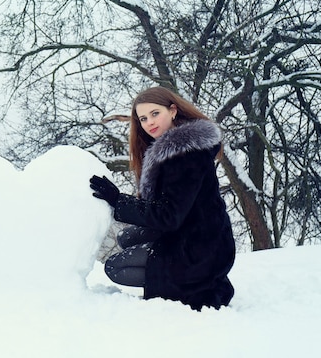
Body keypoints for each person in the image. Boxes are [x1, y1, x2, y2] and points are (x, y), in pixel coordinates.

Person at [89, 86, 235, 311]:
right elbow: (165, 210)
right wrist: (119, 200)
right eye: (143, 118)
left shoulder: (187, 155)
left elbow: (167, 216)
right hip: (191, 231)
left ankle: (200, 290)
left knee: (115, 267)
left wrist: (119, 200)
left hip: (203, 246)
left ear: (173, 110)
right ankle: (201, 280)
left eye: (155, 113)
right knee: (126, 237)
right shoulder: (169, 149)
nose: (149, 123)